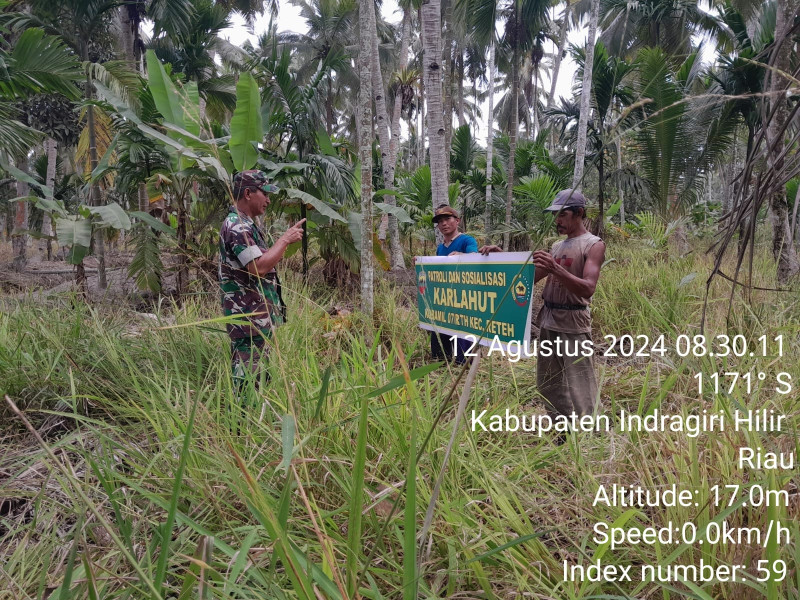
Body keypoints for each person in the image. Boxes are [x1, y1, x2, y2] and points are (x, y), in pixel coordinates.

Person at [480, 189, 605, 419]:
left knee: (582, 386)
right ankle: (563, 429)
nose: (557, 220)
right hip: (549, 320)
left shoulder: (593, 244)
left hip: (573, 324)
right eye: (555, 215)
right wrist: (502, 258)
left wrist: (555, 268)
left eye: (562, 214)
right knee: (548, 383)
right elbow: (529, 277)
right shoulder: (557, 246)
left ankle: (594, 433)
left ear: (579, 213)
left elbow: (588, 288)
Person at [219, 170, 305, 389]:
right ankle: (243, 412)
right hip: (248, 317)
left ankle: (253, 410)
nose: (268, 200)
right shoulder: (237, 226)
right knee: (248, 382)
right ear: (248, 193)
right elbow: (258, 267)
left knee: (258, 376)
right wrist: (284, 240)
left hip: (256, 316)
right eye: (265, 193)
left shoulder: (247, 224)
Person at [430, 205, 478, 364]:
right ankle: (442, 362)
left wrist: (462, 255)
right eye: (440, 221)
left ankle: (463, 364)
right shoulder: (440, 248)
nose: (444, 224)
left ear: (457, 221)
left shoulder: (466, 240)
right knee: (441, 334)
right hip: (445, 298)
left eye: (447, 219)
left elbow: (474, 256)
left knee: (462, 337)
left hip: (462, 298)